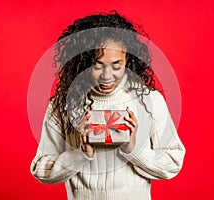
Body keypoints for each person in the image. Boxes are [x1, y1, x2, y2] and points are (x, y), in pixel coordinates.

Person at [30, 11, 186, 200]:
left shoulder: (149, 101)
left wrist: (133, 150)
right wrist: (80, 153)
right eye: (98, 65)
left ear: (128, 60)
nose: (107, 75)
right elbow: (41, 169)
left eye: (116, 65)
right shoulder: (63, 104)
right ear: (85, 63)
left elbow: (173, 162)